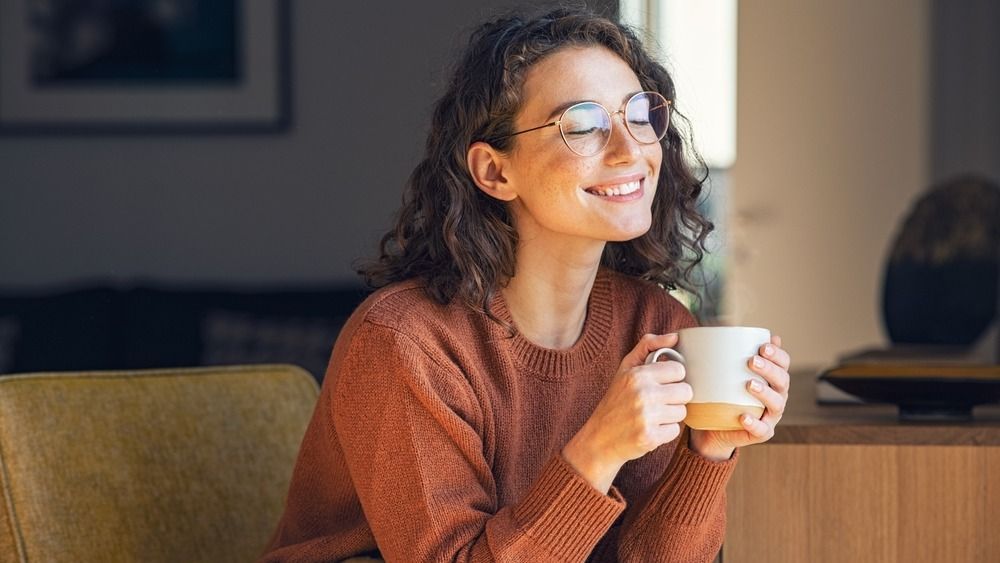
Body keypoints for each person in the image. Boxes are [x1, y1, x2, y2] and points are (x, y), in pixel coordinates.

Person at [261, 6, 790, 562]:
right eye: (583, 125)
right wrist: (597, 449)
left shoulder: (656, 326)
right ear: (495, 171)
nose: (630, 150)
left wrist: (707, 453)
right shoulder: (403, 343)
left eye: (639, 115)